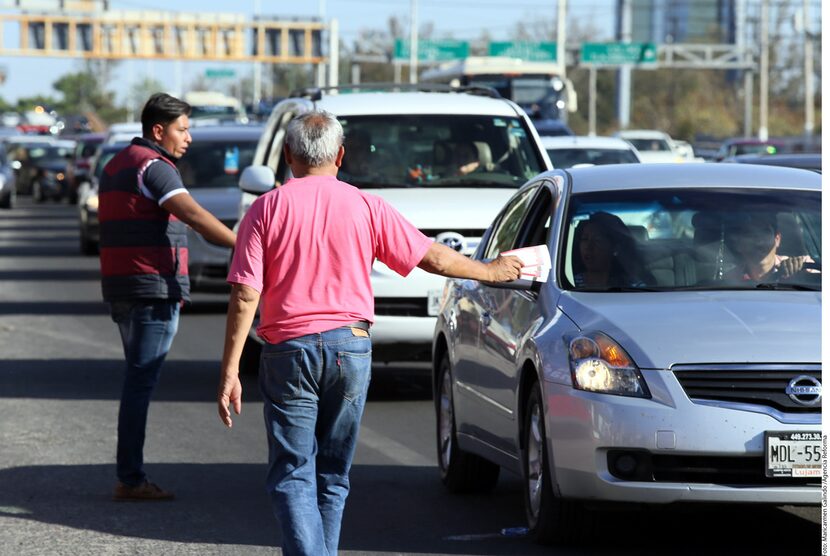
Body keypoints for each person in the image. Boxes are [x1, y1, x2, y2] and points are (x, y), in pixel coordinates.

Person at [217, 111, 522, 556]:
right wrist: (490, 271)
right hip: (351, 347)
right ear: (340, 156)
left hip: (289, 352)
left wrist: (229, 370)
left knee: (293, 473)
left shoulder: (267, 208)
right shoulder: (365, 205)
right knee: (333, 477)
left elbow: (245, 295)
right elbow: (432, 257)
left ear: (287, 156)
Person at [98, 93, 236, 501]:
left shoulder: (116, 164)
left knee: (137, 379)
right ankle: (131, 477)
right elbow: (193, 214)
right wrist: (244, 244)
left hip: (124, 287)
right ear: (158, 131)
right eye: (183, 129)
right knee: (140, 381)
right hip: (151, 288)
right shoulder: (155, 167)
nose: (188, 137)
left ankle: (130, 474)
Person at [572, 211, 653, 288]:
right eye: (584, 239)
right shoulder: (570, 283)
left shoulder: (635, 286)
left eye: (597, 240)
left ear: (614, 247)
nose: (588, 247)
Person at [724, 212, 812, 282]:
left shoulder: (803, 265)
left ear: (777, 239)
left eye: (765, 232)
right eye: (750, 234)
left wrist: (804, 277)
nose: (759, 241)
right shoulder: (729, 281)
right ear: (738, 244)